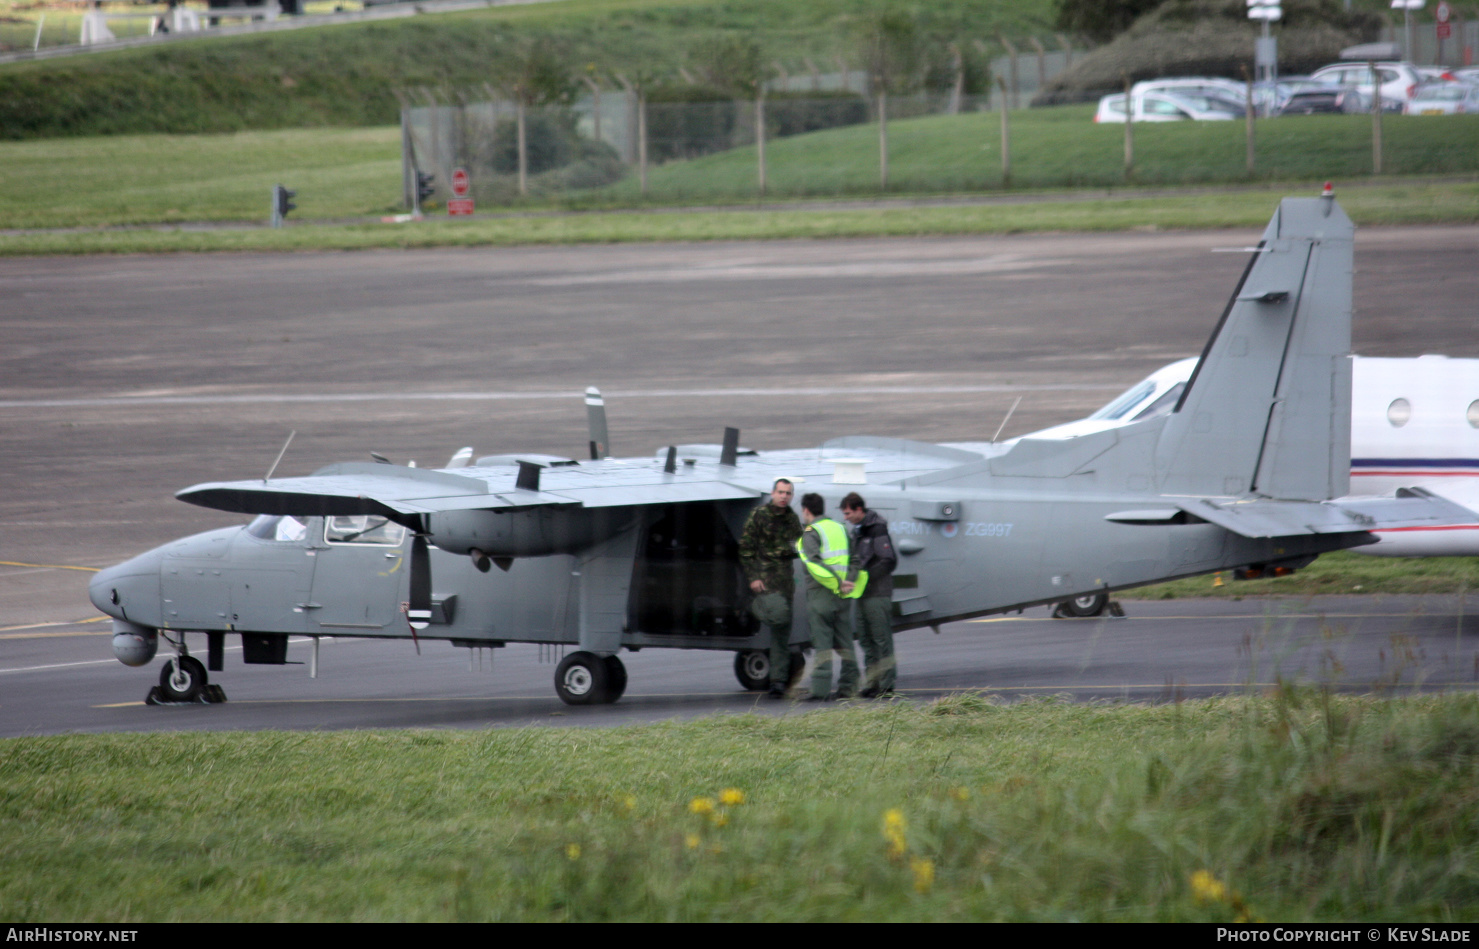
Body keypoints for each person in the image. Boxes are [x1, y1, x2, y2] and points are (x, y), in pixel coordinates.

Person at [738, 478, 802, 698]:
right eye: (781, 492)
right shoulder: (759, 515)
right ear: (773, 493)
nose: (784, 496)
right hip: (765, 582)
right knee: (779, 621)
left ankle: (777, 681)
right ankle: (750, 605)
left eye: (788, 493)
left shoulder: (792, 519)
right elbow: (746, 548)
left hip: (785, 584)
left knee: (781, 633)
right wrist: (753, 577)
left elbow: (798, 546)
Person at [796, 492, 861, 700]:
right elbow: (855, 559)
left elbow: (814, 563)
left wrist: (836, 581)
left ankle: (820, 690)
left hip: (822, 594)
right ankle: (849, 687)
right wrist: (848, 580)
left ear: (806, 510)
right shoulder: (840, 528)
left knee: (822, 643)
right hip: (843, 596)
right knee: (845, 643)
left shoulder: (811, 532)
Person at [841, 492, 898, 697]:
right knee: (865, 639)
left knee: (881, 639)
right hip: (863, 594)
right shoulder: (858, 531)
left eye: (848, 513)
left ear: (858, 509)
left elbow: (889, 560)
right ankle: (872, 683)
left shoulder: (876, 528)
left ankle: (886, 684)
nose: (845, 517)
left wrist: (866, 577)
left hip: (877, 593)